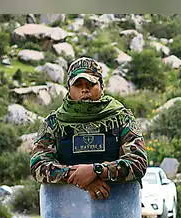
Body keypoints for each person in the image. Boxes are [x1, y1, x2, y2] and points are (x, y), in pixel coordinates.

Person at [29, 57, 148, 199]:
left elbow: (138, 162)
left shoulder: (121, 118)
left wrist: (97, 171)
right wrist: (79, 178)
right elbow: (38, 165)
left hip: (118, 207)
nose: (84, 90)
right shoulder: (54, 123)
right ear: (69, 89)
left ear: (101, 86)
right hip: (67, 208)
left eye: (90, 84)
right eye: (78, 85)